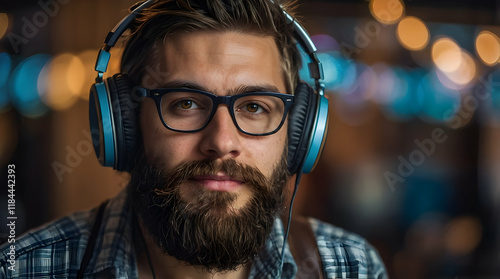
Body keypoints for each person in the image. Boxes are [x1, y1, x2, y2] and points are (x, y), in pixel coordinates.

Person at [0, 0, 388, 278]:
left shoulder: (351, 267)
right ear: (124, 125)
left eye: (254, 107)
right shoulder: (26, 269)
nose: (222, 141)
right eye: (186, 103)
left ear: (299, 133)